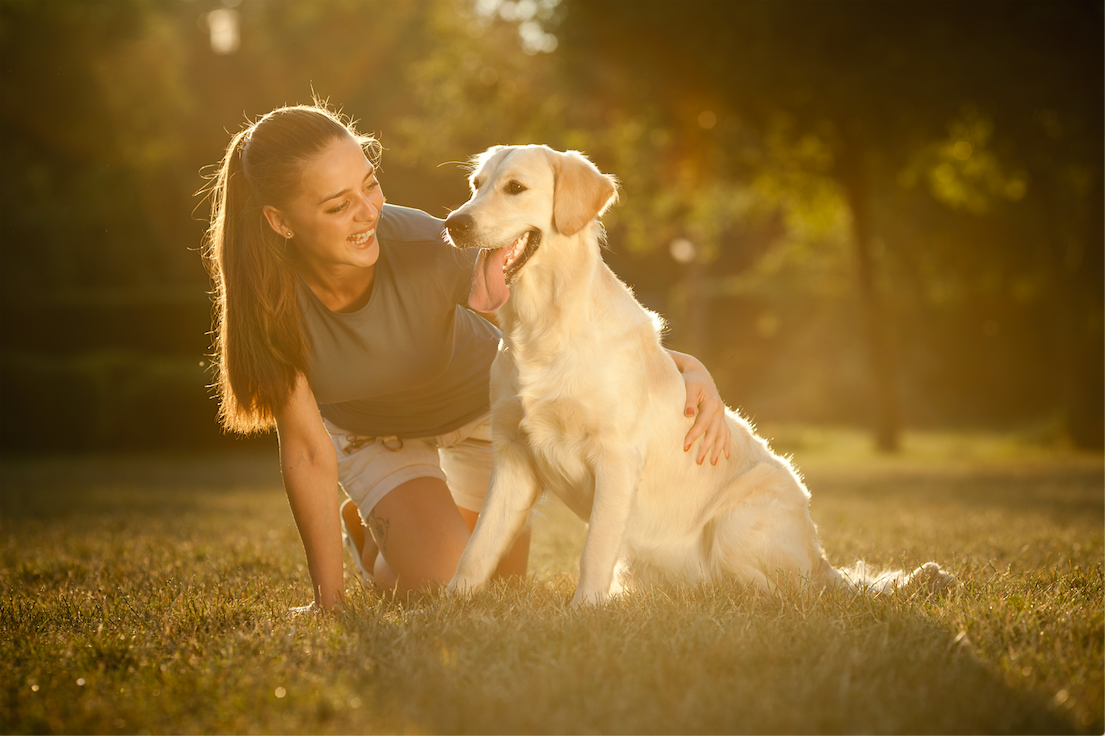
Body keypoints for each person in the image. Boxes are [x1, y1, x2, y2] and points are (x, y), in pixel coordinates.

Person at [201, 103, 731, 611]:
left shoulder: (429, 246)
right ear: (280, 222)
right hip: (377, 436)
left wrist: (688, 368)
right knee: (438, 581)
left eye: (370, 184)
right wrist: (328, 601)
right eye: (338, 206)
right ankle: (388, 523)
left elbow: (574, 326)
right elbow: (306, 452)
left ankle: (400, 525)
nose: (368, 215)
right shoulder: (271, 302)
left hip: (481, 420)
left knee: (495, 588)